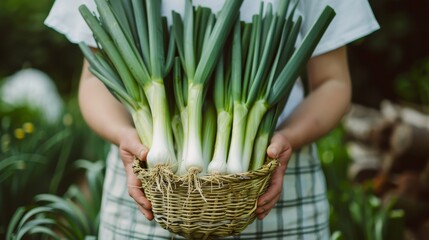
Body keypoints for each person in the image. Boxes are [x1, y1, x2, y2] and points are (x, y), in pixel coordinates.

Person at [45, 0, 379, 239]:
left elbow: (332, 82)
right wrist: (123, 134)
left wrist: (288, 137)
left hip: (275, 182)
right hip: (147, 188)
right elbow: (94, 82)